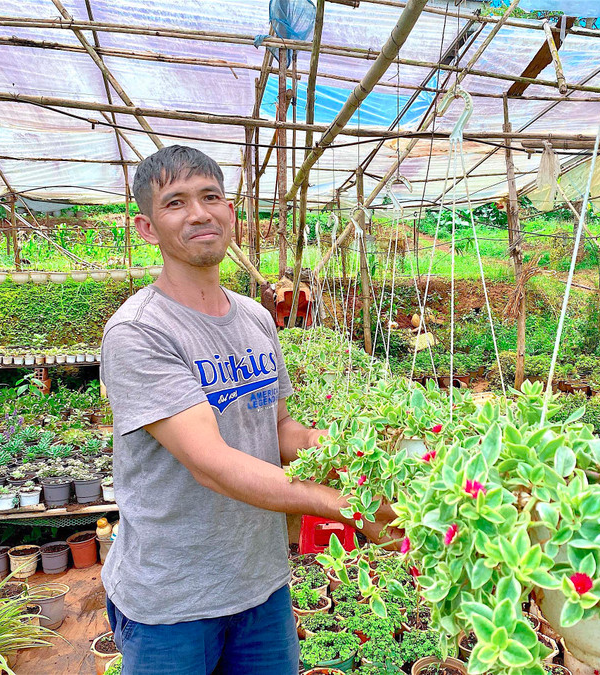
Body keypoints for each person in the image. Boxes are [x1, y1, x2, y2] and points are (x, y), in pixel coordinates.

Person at [100, 145, 401, 674]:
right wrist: (349, 506)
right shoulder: (140, 332)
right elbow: (210, 464)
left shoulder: (256, 318)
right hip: (174, 603)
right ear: (147, 227)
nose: (198, 213)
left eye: (210, 196)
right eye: (176, 203)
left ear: (230, 213)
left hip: (261, 585)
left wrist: (355, 460)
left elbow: (279, 426)